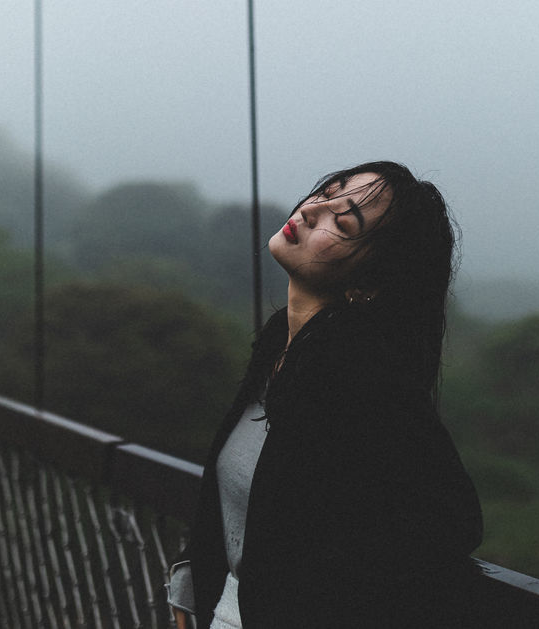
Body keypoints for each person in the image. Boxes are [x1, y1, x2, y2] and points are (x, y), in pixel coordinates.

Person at [167, 161, 483, 629]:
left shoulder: (361, 376)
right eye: (327, 193)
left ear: (370, 283)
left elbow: (450, 522)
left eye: (344, 220)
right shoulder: (282, 349)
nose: (316, 208)